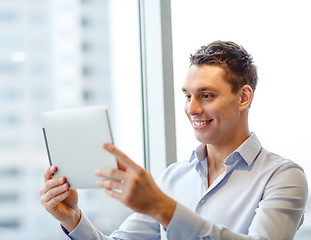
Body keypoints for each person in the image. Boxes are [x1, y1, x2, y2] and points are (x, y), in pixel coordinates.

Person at [40, 40, 308, 240]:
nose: (192, 109)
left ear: (243, 97)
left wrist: (163, 208)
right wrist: (73, 219)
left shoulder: (283, 177)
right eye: (187, 96)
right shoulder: (173, 178)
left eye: (206, 95)